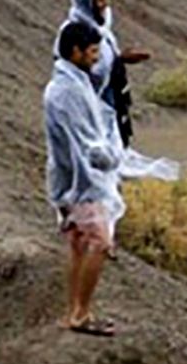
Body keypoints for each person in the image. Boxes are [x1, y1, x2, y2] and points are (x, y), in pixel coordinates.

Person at [45, 21, 126, 337]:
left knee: (79, 245)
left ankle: (74, 311)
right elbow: (87, 145)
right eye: (92, 51)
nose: (96, 58)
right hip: (81, 183)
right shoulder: (69, 92)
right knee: (99, 243)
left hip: (70, 183)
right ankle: (81, 313)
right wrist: (112, 157)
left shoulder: (68, 84)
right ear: (75, 51)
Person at [58, 0, 150, 148]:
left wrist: (120, 58)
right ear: (87, 2)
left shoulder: (101, 28)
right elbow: (77, 68)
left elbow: (104, 58)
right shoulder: (73, 32)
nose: (105, 4)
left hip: (112, 92)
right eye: (100, 0)